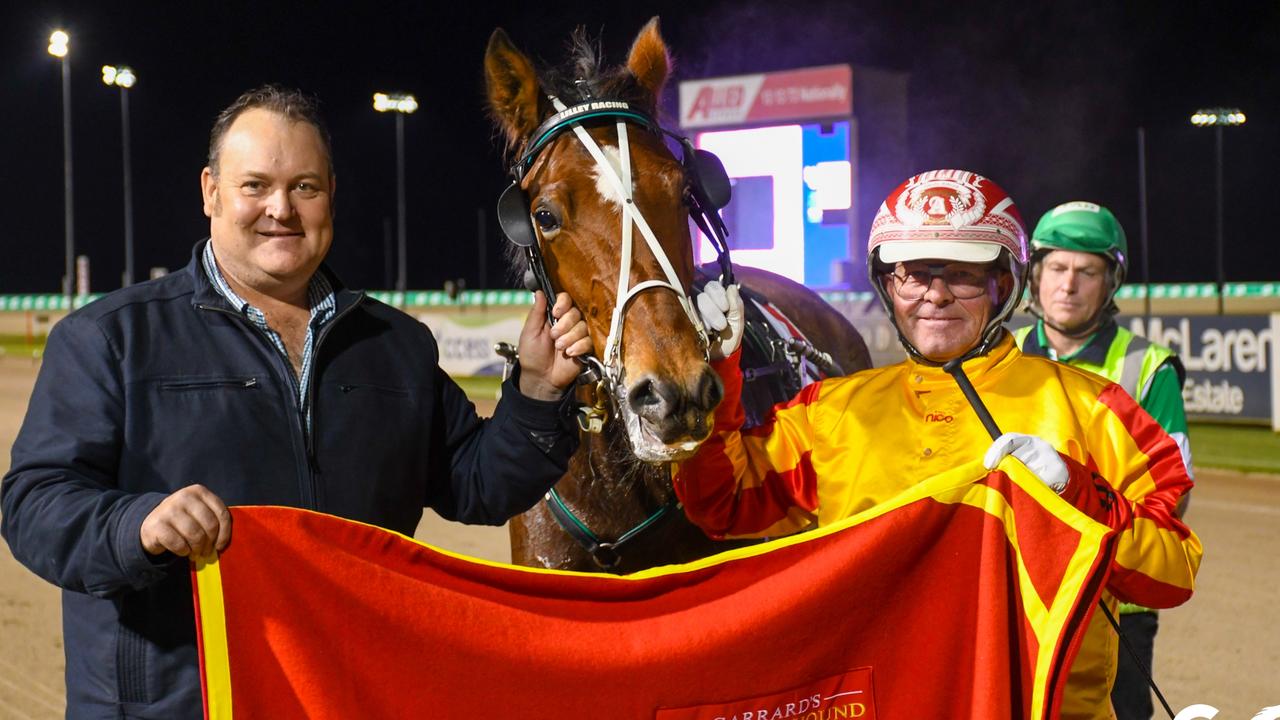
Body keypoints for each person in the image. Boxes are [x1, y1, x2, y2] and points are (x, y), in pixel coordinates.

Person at [1, 85, 592, 719]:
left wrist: (535, 391)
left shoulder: (396, 346)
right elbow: (34, 502)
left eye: (304, 186)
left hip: (346, 697)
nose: (280, 208)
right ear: (211, 192)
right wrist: (136, 526)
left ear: (331, 193)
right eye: (254, 185)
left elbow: (478, 486)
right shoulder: (109, 338)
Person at [678, 169, 1201, 720]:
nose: (934, 294)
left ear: (1005, 285)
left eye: (962, 275)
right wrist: (718, 371)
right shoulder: (828, 413)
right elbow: (720, 501)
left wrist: (1079, 493)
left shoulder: (1099, 410)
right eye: (914, 275)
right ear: (889, 285)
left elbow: (1171, 574)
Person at [1016, 200, 1192, 720]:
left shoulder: (1148, 367)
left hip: (1117, 596)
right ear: (1035, 277)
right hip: (1027, 591)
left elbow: (1171, 499)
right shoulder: (1005, 354)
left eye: (1086, 271)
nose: (1068, 285)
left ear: (1110, 282)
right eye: (1057, 268)